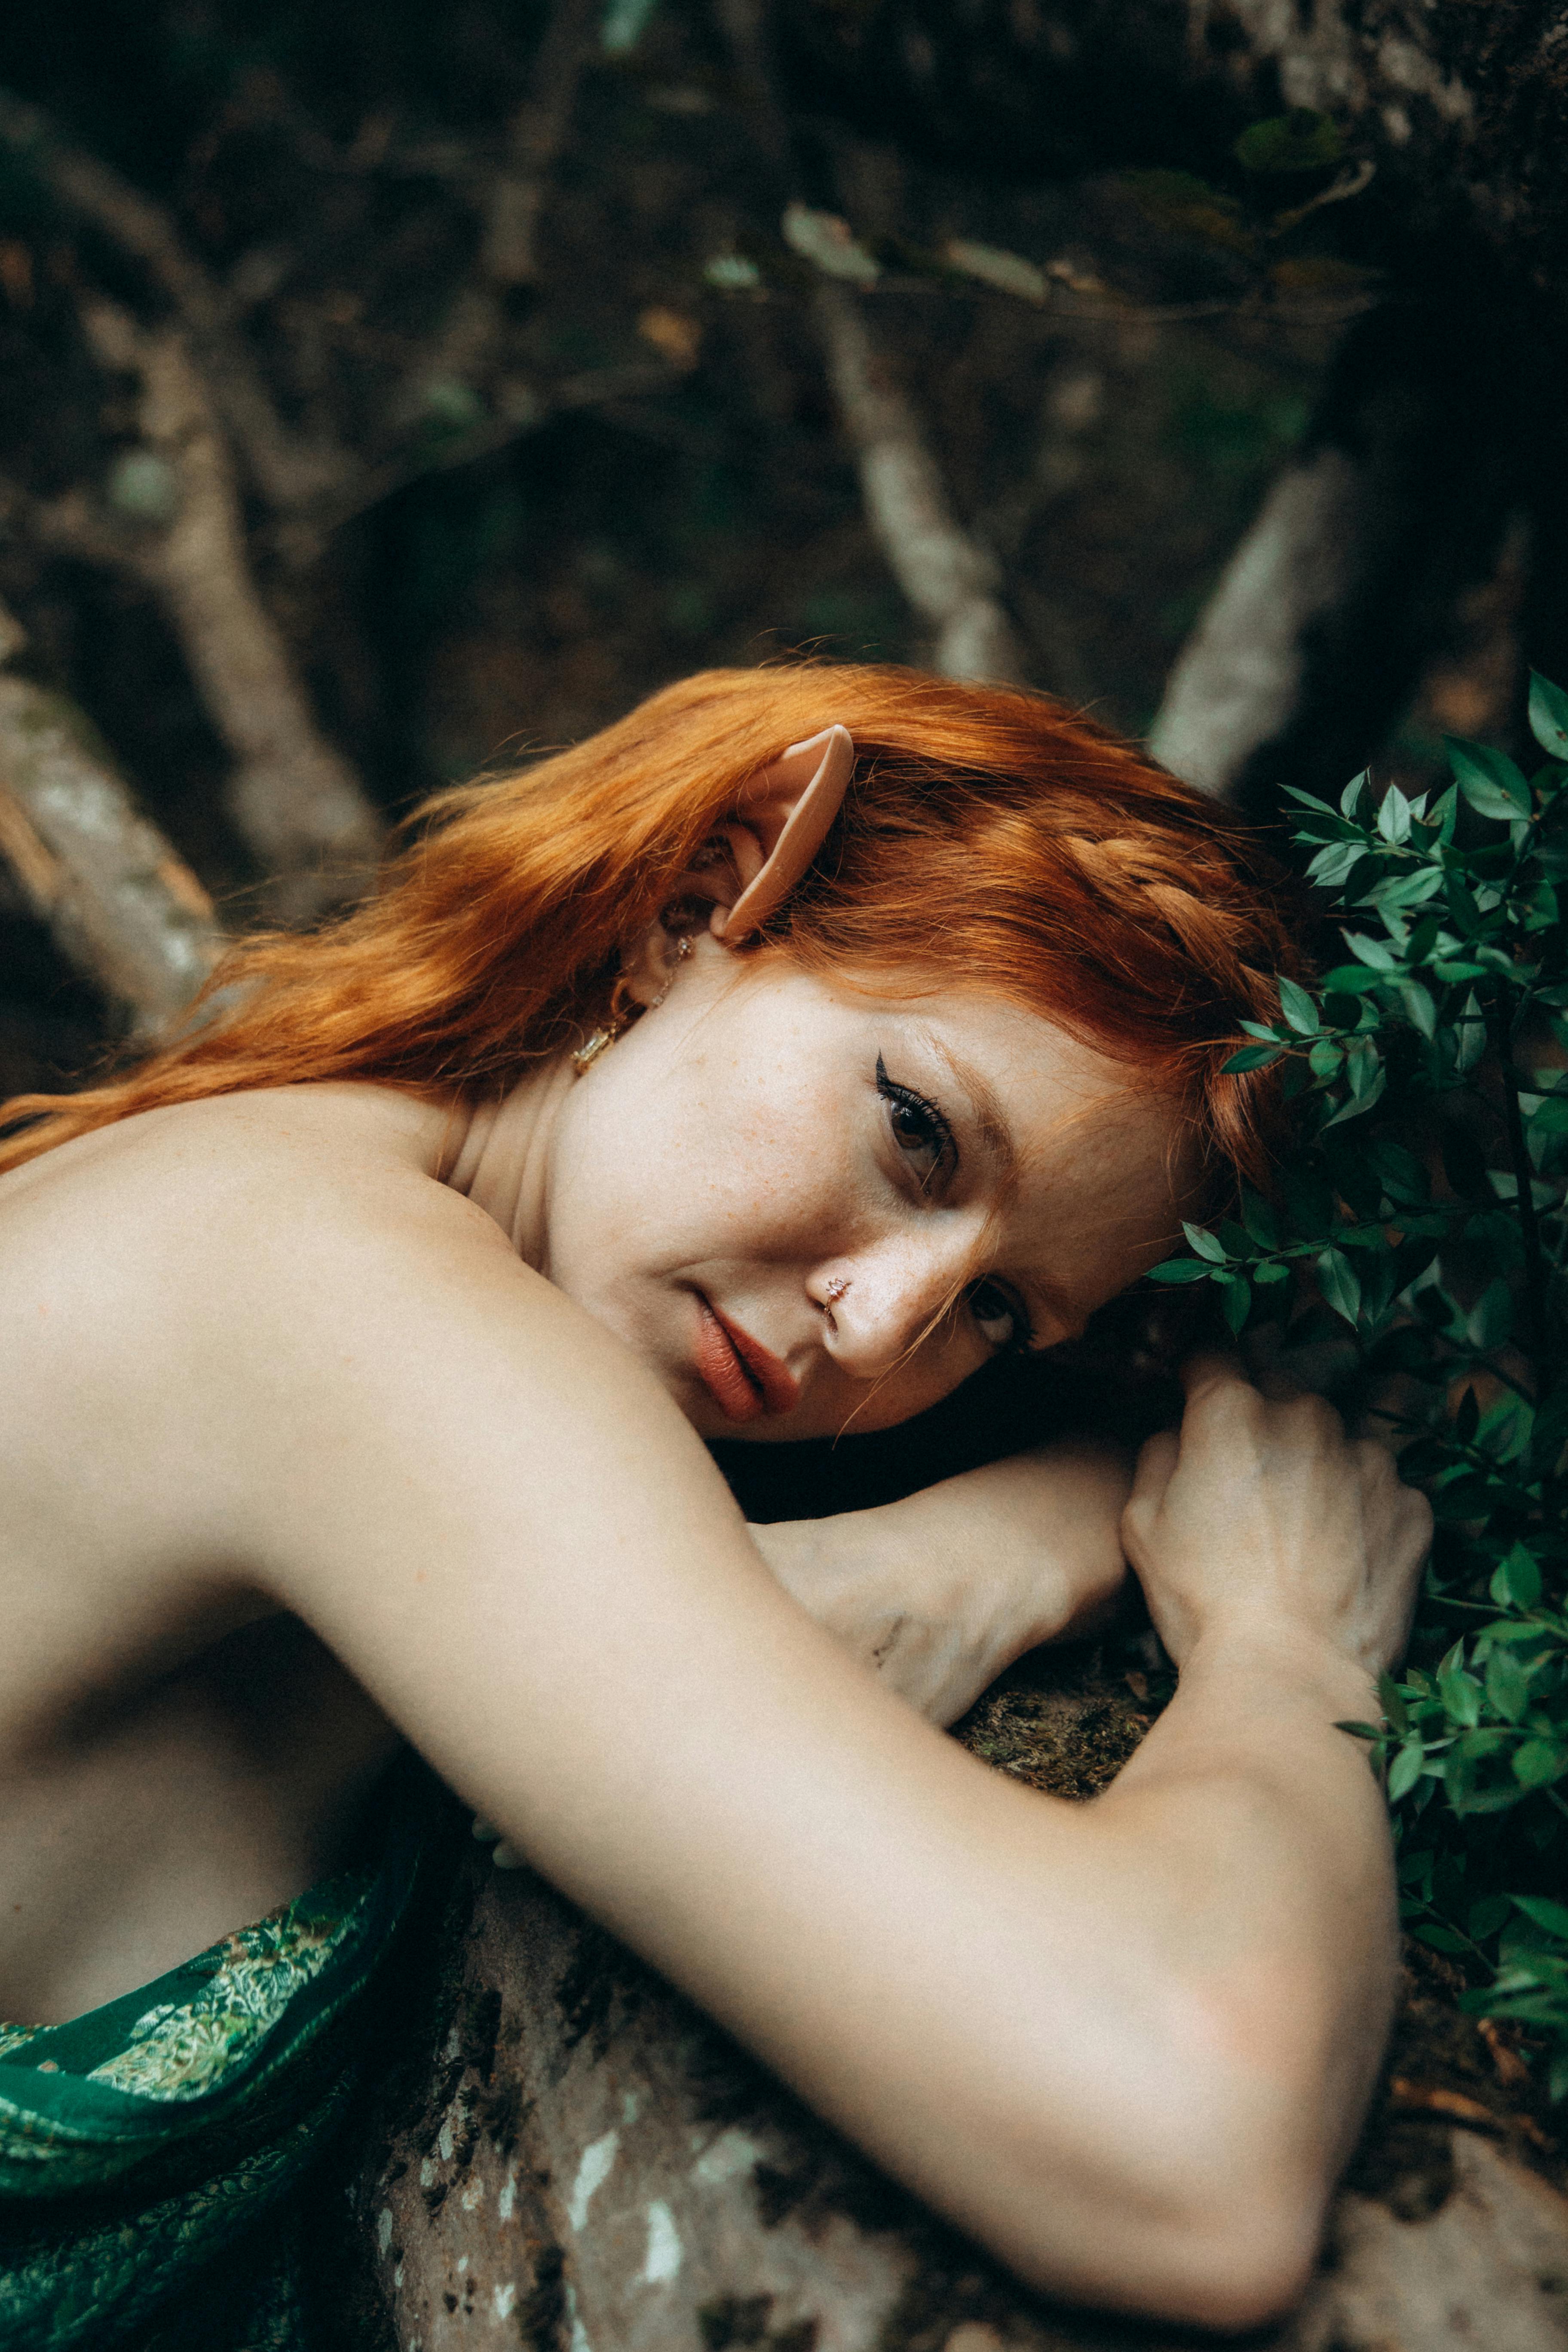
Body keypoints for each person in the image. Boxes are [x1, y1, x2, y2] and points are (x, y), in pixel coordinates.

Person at [0, 665, 1429, 2346]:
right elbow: (1184, 2139)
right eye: (915, 1133)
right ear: (699, 903)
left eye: (1000, 1315)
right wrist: (1288, 1642)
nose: (887, 1327)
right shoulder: (342, 1299)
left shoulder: (345, 1179)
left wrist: (1020, 1533)